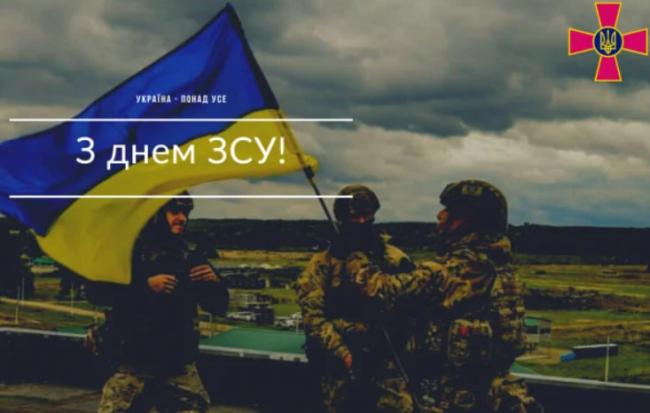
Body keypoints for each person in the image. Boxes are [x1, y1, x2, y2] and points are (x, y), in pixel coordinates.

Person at [346, 180, 542, 413]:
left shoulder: (450, 272)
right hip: (495, 396)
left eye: (448, 210)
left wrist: (354, 252)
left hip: (451, 399)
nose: (440, 216)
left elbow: (377, 288)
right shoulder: (504, 270)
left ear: (465, 221)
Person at [88, 192, 229, 413]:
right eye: (175, 212)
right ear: (155, 213)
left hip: (176, 359)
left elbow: (218, 306)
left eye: (186, 213)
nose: (182, 218)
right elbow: (97, 293)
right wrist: (145, 286)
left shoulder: (189, 252)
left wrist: (215, 283)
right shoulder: (128, 249)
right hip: (134, 358)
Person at [295, 184, 416, 413]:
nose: (361, 222)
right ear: (342, 219)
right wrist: (342, 352)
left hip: (388, 358)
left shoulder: (394, 258)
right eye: (354, 217)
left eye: (366, 216)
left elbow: (413, 305)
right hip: (341, 360)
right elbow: (313, 318)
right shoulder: (322, 264)